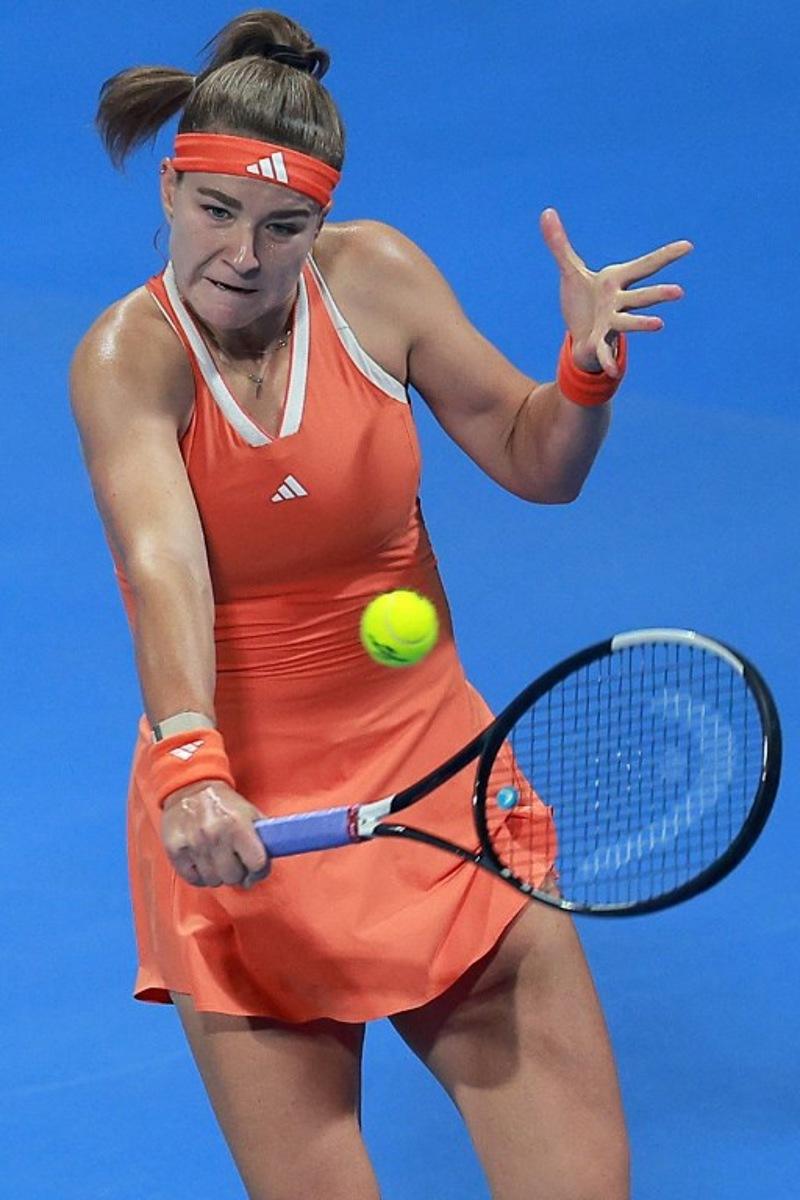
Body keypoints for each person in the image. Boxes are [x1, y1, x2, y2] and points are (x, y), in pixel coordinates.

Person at [69, 10, 692, 1200]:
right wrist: (192, 767)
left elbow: (535, 463)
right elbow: (163, 564)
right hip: (240, 827)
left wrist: (582, 377)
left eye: (283, 227)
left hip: (440, 790)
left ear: (322, 221)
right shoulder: (125, 358)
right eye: (215, 213)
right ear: (171, 186)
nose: (244, 255)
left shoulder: (378, 281)